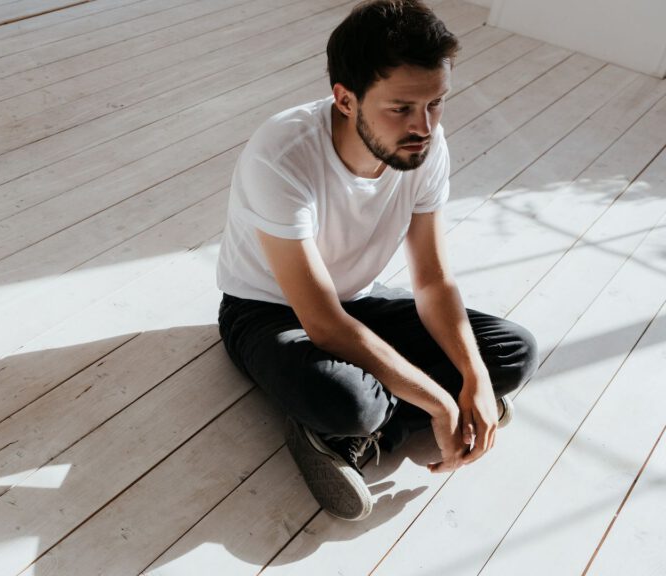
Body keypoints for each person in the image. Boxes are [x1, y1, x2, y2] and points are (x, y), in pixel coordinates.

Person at [215, 0, 538, 521]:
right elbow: (321, 321)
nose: (424, 126)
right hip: (268, 312)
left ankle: (360, 433)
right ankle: (351, 427)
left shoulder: (424, 148)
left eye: (436, 104)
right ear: (345, 99)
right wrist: (440, 398)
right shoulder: (282, 154)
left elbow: (432, 281)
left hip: (361, 301)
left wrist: (473, 374)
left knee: (512, 353)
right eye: (401, 108)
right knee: (348, 401)